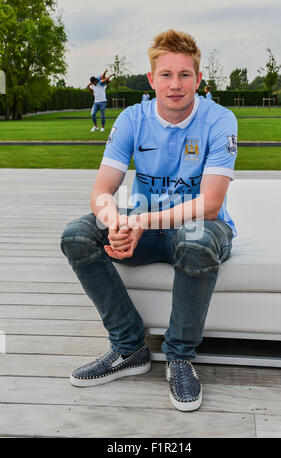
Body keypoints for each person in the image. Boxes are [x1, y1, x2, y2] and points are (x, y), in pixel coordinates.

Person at [61, 29, 238, 412]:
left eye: (185, 75)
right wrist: (116, 221)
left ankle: (179, 358)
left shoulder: (219, 120)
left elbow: (210, 204)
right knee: (77, 234)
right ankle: (129, 349)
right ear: (151, 79)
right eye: (166, 75)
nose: (175, 85)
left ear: (199, 79)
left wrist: (143, 221)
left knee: (196, 240)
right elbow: (101, 192)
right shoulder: (131, 119)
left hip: (195, 225)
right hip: (144, 222)